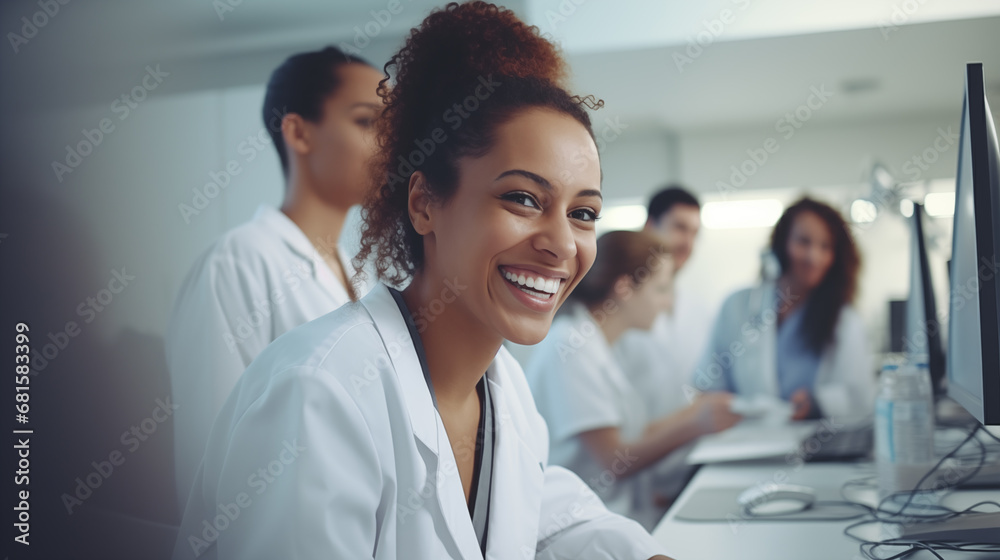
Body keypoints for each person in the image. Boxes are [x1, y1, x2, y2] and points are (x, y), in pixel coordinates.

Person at [171, 3, 672, 559]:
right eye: (522, 198)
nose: (561, 242)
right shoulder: (316, 393)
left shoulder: (504, 393)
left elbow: (533, 511)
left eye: (584, 213)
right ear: (424, 204)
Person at [165, 46, 383, 508]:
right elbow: (211, 462)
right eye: (368, 122)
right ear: (299, 132)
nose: (388, 144)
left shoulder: (365, 278)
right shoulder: (237, 262)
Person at [527, 231, 741, 529]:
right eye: (661, 289)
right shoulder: (570, 347)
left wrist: (696, 411)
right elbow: (614, 460)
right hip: (581, 528)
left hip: (618, 515)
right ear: (624, 288)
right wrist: (696, 424)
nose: (667, 304)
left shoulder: (598, 344)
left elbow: (631, 432)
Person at [693, 197, 874, 421]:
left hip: (812, 442)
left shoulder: (844, 321)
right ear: (782, 243)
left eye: (825, 247)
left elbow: (858, 396)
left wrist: (817, 403)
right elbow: (709, 383)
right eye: (803, 242)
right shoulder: (736, 306)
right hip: (742, 440)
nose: (813, 256)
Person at [613, 186, 712, 420]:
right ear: (650, 227)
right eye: (680, 228)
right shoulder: (615, 303)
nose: (688, 243)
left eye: (695, 233)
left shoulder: (698, 310)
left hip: (689, 450)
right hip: (625, 450)